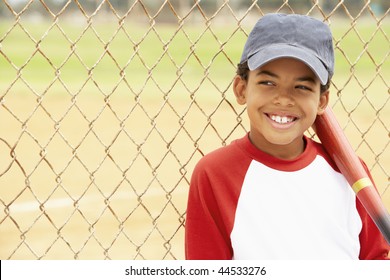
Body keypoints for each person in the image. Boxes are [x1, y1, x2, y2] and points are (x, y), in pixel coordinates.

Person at [185, 13, 390, 260]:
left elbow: (376, 261)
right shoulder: (214, 175)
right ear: (241, 89)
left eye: (302, 87)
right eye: (268, 83)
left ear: (322, 101)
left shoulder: (350, 173)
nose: (283, 98)